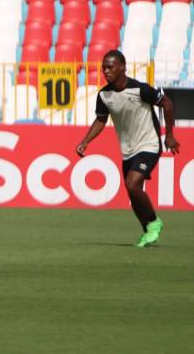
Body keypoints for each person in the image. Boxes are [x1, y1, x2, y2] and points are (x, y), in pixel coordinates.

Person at [76, 50, 179, 247]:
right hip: (128, 150)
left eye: (110, 67)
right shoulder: (104, 95)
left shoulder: (140, 90)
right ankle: (148, 231)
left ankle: (154, 223)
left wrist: (170, 135)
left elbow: (167, 103)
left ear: (123, 67)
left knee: (132, 184)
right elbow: (101, 120)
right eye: (104, 68)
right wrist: (86, 140)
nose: (106, 71)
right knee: (133, 192)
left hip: (149, 144)